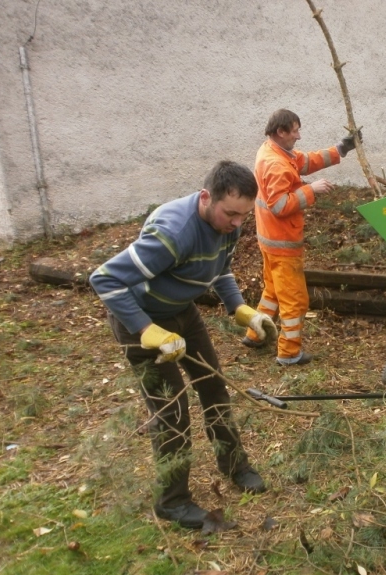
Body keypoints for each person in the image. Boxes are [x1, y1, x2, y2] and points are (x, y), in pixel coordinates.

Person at [90, 161, 278, 529]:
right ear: (206, 198)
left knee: (214, 388)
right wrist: (147, 330)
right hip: (139, 319)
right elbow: (105, 280)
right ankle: (172, 502)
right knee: (172, 411)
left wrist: (238, 307)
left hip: (182, 313)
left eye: (244, 215)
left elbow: (220, 268)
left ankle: (234, 464)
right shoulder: (173, 233)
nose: (238, 223)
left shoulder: (227, 223)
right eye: (231, 214)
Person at [242, 108, 359, 365]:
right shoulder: (276, 164)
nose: (299, 136)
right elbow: (280, 206)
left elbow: (305, 161)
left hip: (269, 239)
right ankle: (289, 352)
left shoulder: (273, 151)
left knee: (272, 290)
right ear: (280, 131)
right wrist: (311, 190)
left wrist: (341, 149)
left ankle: (255, 333)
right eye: (295, 131)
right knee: (294, 299)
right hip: (282, 243)